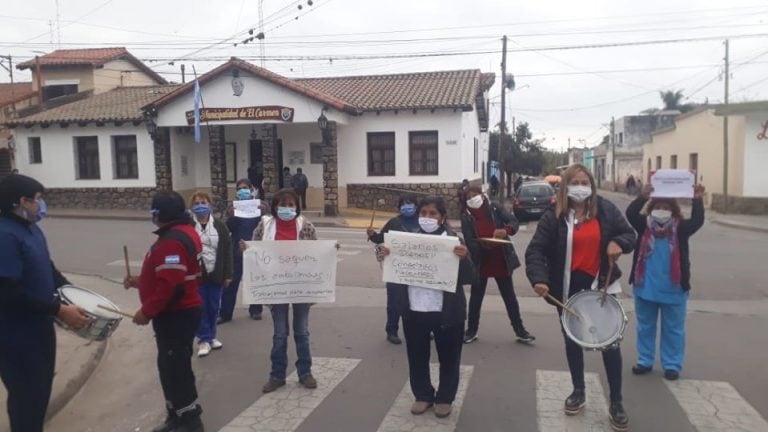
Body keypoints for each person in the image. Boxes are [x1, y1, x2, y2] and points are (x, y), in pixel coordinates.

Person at [525, 164, 635, 432]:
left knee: (610, 343)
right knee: (572, 341)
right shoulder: (554, 216)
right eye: (574, 181)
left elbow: (630, 234)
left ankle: (617, 401)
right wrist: (539, 279)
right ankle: (578, 391)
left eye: (585, 181)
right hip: (567, 290)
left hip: (600, 288)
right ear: (565, 186)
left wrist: (618, 243)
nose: (580, 185)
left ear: (592, 185)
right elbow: (536, 250)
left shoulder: (605, 209)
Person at [0, 174, 90, 432]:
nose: (41, 205)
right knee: (26, 399)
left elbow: (47, 269)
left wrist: (73, 294)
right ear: (22, 201)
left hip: (40, 329)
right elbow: (8, 294)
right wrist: (59, 310)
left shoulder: (32, 229)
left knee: (39, 396)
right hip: (16, 335)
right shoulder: (4, 236)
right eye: (38, 200)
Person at [377, 196, 475, 419]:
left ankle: (444, 398)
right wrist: (385, 254)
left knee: (449, 358)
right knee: (416, 356)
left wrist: (465, 258)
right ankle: (422, 395)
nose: (427, 218)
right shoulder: (407, 240)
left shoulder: (453, 240)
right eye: (424, 214)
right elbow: (390, 266)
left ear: (442, 218)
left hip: (447, 312)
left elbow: (470, 277)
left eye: (433, 214)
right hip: (414, 310)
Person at [123, 191, 205, 432]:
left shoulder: (172, 241)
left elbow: (172, 285)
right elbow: (168, 277)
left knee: (176, 367)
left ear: (159, 214)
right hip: (177, 312)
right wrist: (140, 281)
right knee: (168, 366)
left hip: (176, 314)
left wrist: (146, 312)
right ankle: (176, 414)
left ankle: (189, 420)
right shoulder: (180, 233)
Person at [241, 188, 319, 393]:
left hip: (300, 286)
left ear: (297, 206)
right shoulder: (265, 225)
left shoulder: (306, 226)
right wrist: (246, 248)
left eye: (291, 205)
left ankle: (305, 372)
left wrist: (329, 251)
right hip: (276, 287)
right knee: (280, 333)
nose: (286, 208)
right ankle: (277, 375)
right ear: (275, 207)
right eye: (282, 205)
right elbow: (254, 247)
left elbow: (317, 253)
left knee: (302, 331)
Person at [626, 183, 705, 381]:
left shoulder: (681, 228)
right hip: (646, 287)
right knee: (645, 326)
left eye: (667, 207)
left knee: (674, 329)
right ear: (651, 210)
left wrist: (697, 199)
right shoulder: (644, 224)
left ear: (674, 211)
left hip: (674, 289)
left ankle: (672, 365)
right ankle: (645, 360)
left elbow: (697, 220)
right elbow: (630, 213)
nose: (662, 211)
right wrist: (643, 196)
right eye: (658, 207)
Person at [460, 185, 534, 344]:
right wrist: (481, 244)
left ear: (482, 194)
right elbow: (469, 240)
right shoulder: (465, 216)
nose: (472, 198)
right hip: (481, 261)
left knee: (509, 297)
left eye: (475, 195)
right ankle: (471, 331)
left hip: (501, 259)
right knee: (476, 298)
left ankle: (520, 331)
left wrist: (505, 231)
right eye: (468, 197)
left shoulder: (494, 207)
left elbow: (513, 222)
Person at [366, 193, 421, 344]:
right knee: (395, 301)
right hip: (396, 269)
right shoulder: (394, 222)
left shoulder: (423, 222)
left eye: (410, 203)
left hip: (417, 270)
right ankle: (392, 330)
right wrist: (372, 235)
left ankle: (420, 329)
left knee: (417, 300)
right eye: (403, 204)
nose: (407, 207)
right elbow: (380, 239)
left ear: (416, 206)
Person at [189, 191, 233, 357]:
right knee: (200, 307)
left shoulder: (220, 226)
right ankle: (203, 339)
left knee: (214, 306)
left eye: (203, 202)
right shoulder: (188, 226)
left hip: (216, 272)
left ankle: (212, 336)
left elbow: (227, 251)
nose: (200, 206)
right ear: (192, 207)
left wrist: (228, 274)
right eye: (197, 203)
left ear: (210, 205)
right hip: (197, 274)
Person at [220, 179, 267, 322]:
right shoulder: (231, 208)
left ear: (251, 188)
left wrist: (261, 211)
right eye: (239, 189)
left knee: (254, 281)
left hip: (255, 250)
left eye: (245, 188)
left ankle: (256, 310)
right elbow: (226, 228)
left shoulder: (261, 205)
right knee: (231, 283)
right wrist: (233, 216)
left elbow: (267, 223)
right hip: (236, 250)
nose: (242, 190)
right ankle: (225, 313)